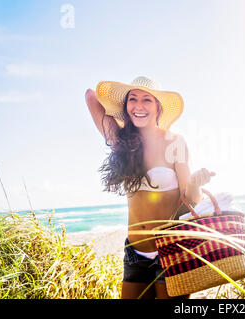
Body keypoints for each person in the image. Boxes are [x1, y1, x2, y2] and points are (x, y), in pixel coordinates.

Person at [85, 76, 216, 299]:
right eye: (132, 99)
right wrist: (121, 119)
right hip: (135, 253)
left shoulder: (175, 141)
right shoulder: (121, 140)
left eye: (147, 100)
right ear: (125, 106)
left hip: (172, 250)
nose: (139, 106)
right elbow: (91, 96)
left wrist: (195, 183)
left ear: (158, 106)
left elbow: (191, 198)